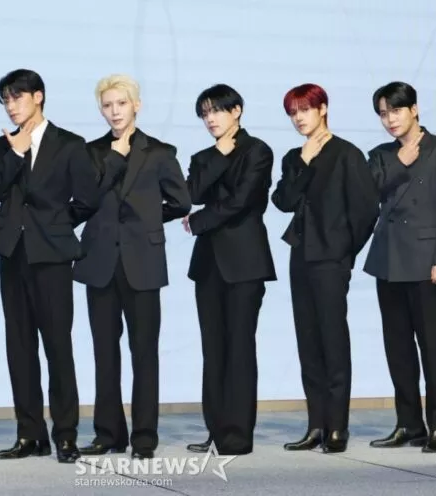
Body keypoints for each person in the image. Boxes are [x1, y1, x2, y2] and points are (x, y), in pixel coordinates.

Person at [0, 69, 99, 464]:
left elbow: (88, 199)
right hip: (12, 254)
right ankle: (30, 435)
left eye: (17, 97)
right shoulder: (0, 146)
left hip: (51, 256)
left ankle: (66, 435)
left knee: (58, 346)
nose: (11, 105)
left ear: (38, 96)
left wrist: (56, 226)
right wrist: (15, 153)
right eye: (6, 99)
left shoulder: (70, 144)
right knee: (19, 347)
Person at [73, 74, 191, 459]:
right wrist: (114, 158)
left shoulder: (160, 152)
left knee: (144, 353)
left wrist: (148, 219)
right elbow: (86, 199)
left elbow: (181, 202)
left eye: (121, 103)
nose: (114, 111)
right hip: (100, 262)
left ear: (136, 105)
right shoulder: (91, 152)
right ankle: (108, 434)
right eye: (107, 105)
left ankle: (144, 437)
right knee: (104, 352)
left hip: (143, 261)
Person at [271, 83, 379, 453]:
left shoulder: (347, 153)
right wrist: (303, 162)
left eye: (305, 109)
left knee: (333, 341)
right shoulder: (294, 156)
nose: (299, 118)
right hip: (300, 256)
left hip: (331, 260)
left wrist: (344, 252)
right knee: (308, 342)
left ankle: (337, 427)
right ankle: (315, 425)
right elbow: (283, 201)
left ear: (323, 109)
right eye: (293, 113)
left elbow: (367, 210)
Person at [363, 81, 436, 453]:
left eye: (396, 110)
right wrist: (398, 164)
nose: (390, 119)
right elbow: (366, 195)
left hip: (426, 263)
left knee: (433, 347)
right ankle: (408, 424)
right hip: (388, 260)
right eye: (383, 113)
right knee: (398, 348)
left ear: (414, 109)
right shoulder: (380, 155)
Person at [182, 84, 276, 456]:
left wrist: (199, 221)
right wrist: (219, 156)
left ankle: (237, 435)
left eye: (216, 111)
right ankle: (216, 429)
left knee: (239, 347)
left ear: (236, 110)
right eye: (205, 114)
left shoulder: (258, 151)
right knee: (213, 349)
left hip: (245, 263)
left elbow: (243, 201)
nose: (210, 119)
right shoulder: (204, 157)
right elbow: (192, 193)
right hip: (208, 266)